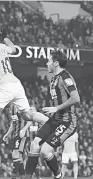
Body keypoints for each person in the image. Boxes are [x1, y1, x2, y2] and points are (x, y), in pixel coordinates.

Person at [24, 50, 80, 179]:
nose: (47, 63)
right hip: (55, 119)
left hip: (67, 121)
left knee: (45, 150)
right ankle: (27, 177)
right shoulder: (54, 78)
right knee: (35, 144)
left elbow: (76, 98)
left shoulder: (65, 77)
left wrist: (56, 108)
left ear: (55, 63)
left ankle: (59, 176)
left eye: (49, 61)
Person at [3, 104, 33, 179]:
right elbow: (13, 124)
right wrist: (7, 134)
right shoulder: (12, 108)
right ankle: (22, 176)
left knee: (15, 155)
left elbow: (30, 120)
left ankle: (14, 176)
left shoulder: (21, 105)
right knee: (18, 157)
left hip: (23, 135)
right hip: (16, 135)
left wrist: (24, 129)